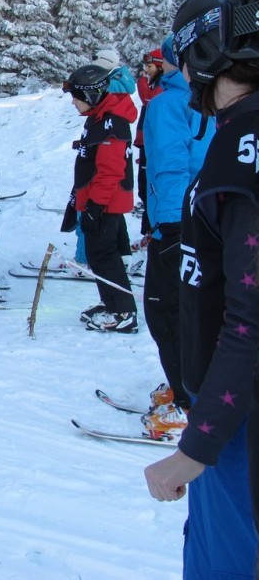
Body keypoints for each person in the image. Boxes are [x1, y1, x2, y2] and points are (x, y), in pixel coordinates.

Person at [143, 0, 259, 580]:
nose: (184, 76)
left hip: (240, 429)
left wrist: (196, 448)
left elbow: (252, 318)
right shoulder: (236, 135)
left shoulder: (243, 147)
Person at [140, 34, 214, 438]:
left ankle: (189, 403)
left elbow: (170, 162)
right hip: (206, 219)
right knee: (193, 309)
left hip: (178, 222)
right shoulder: (211, 98)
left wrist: (168, 224)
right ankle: (187, 384)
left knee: (164, 310)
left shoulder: (168, 103)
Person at [62, 63, 138, 333]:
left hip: (105, 202)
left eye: (77, 97)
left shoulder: (111, 122)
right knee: (99, 255)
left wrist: (95, 205)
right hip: (99, 200)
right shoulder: (99, 116)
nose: (73, 103)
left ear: (92, 95)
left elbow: (110, 170)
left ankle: (123, 312)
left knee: (103, 256)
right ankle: (112, 303)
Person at [134, 49, 165, 235]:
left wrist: (141, 82)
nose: (146, 70)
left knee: (150, 189)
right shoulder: (155, 83)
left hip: (153, 145)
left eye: (150, 66)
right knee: (144, 188)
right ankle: (149, 231)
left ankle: (153, 231)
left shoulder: (162, 86)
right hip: (146, 143)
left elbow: (149, 100)